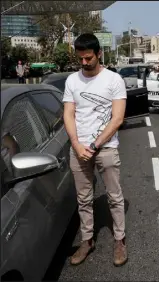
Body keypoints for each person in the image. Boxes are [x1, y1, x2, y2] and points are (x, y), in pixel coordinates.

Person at [62, 33, 128, 267]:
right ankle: (87, 240)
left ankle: (119, 239)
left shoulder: (114, 80)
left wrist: (93, 145)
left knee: (114, 197)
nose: (84, 63)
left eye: (88, 58)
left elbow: (117, 118)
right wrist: (77, 145)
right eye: (80, 58)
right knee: (83, 199)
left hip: (106, 148)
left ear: (99, 54)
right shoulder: (72, 81)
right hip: (79, 150)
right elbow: (68, 114)